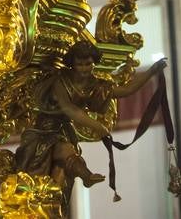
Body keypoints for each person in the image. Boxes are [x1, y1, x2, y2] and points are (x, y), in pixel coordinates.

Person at [15, 40, 167, 206]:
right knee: (58, 156)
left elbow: (126, 90)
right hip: (41, 131)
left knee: (62, 172)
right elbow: (69, 108)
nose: (84, 69)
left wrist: (152, 71)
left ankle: (83, 179)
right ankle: (86, 176)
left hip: (64, 131)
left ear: (94, 63)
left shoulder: (95, 86)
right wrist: (96, 126)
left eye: (88, 64)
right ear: (72, 64)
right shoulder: (61, 80)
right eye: (79, 64)